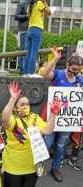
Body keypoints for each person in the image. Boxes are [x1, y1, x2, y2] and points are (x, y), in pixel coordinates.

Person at [1, 81, 61, 187]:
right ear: (15, 108)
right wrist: (13, 99)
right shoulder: (13, 119)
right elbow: (5, 119)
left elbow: (47, 130)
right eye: (22, 104)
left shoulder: (34, 117)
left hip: (31, 166)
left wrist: (53, 114)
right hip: (13, 167)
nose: (26, 106)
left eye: (27, 104)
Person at [42, 50, 83, 182]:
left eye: (78, 71)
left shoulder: (79, 79)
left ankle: (55, 168)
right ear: (67, 65)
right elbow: (44, 73)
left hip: (67, 120)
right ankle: (39, 165)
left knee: (61, 146)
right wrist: (55, 59)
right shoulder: (59, 74)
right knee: (47, 143)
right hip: (53, 118)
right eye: (72, 70)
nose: (74, 73)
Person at [25, 0, 51, 76]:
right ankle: (31, 74)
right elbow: (49, 13)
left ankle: (26, 73)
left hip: (29, 30)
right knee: (33, 53)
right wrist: (45, 2)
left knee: (29, 53)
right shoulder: (39, 4)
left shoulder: (30, 6)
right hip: (37, 29)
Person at [15, 0, 29, 73]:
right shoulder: (22, 2)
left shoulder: (36, 3)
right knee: (23, 50)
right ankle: (22, 70)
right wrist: (27, 16)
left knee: (30, 51)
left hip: (32, 29)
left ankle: (27, 70)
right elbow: (16, 16)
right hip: (23, 30)